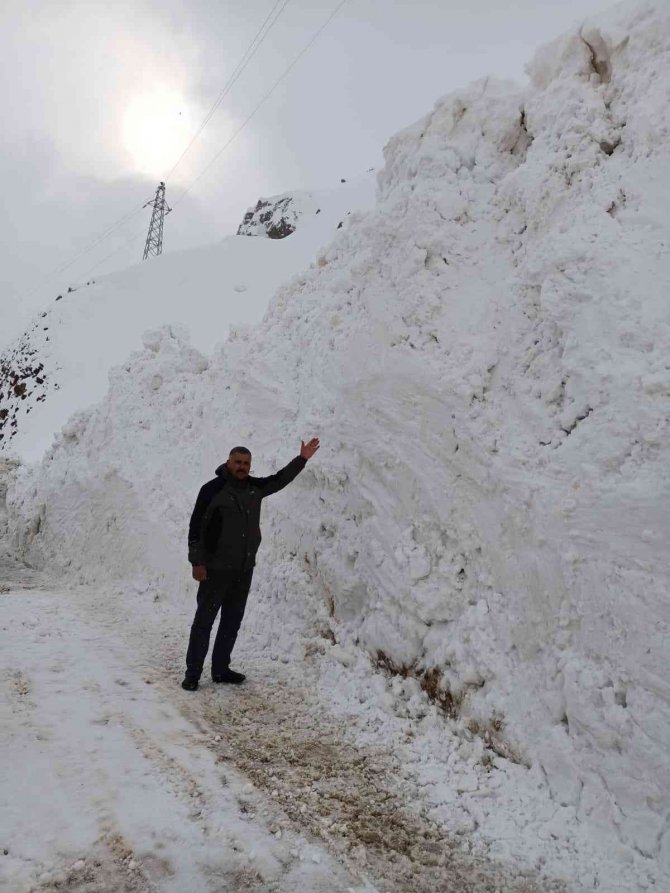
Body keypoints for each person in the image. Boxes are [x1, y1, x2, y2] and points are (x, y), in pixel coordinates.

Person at [181, 438, 320, 691]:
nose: (242, 466)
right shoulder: (212, 490)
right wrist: (197, 562)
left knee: (231, 622)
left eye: (246, 463)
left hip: (243, 570)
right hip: (215, 570)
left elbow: (279, 480)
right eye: (237, 462)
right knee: (204, 622)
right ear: (228, 462)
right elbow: (195, 528)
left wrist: (302, 459)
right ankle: (192, 673)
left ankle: (221, 670)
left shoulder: (254, 488)